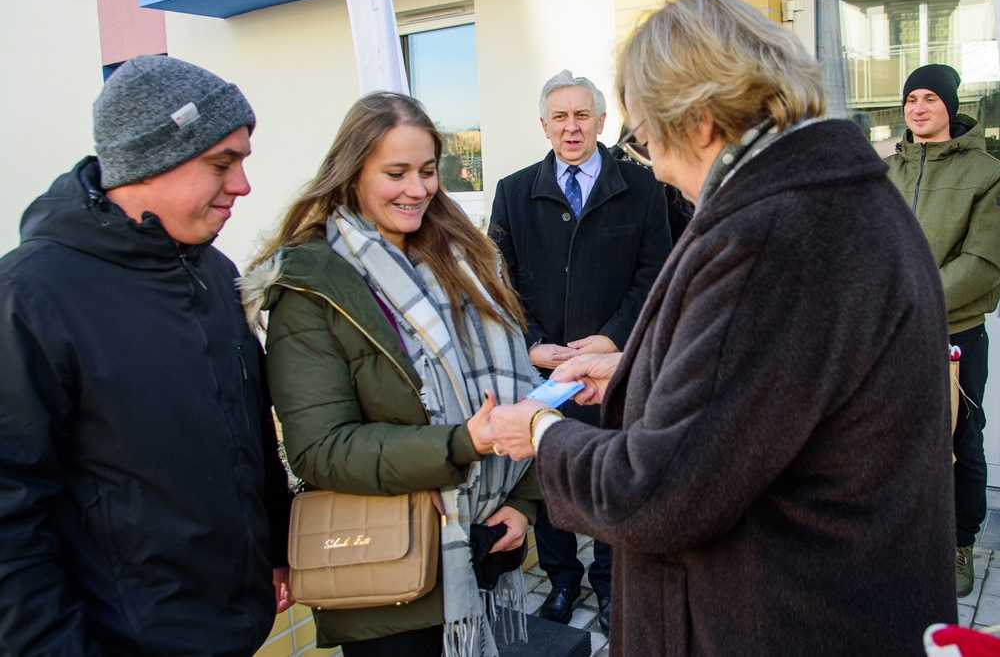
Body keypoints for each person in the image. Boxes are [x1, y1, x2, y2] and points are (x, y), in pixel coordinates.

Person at [481, 0, 957, 655]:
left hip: (775, 623)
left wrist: (540, 430)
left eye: (645, 138)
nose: (655, 165)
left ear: (700, 121)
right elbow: (775, 387)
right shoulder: (835, 201)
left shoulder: (772, 235)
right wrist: (633, 368)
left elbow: (656, 494)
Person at [0, 55, 293, 656]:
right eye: (222, 163)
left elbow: (249, 431)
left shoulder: (213, 273)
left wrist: (277, 545)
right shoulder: (30, 296)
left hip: (235, 626)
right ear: (149, 159)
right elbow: (9, 517)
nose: (242, 185)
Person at [240, 92, 541, 657]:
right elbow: (318, 447)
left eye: (427, 171)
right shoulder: (311, 285)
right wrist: (460, 444)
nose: (417, 189)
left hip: (482, 550)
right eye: (395, 173)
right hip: (388, 577)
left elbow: (516, 389)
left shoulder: (467, 257)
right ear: (353, 173)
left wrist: (524, 504)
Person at [488, 70, 670, 634]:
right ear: (544, 125)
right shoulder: (514, 191)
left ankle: (615, 585)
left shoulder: (642, 188)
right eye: (560, 116)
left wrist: (615, 338)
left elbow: (655, 273)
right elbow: (500, 278)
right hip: (543, 368)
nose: (572, 126)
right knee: (548, 472)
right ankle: (563, 579)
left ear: (601, 120)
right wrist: (534, 342)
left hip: (612, 370)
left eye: (582, 114)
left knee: (615, 477)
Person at [885, 63, 1000, 598]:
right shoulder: (889, 170)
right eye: (911, 99)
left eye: (930, 98)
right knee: (895, 440)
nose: (918, 108)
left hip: (955, 333)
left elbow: (982, 261)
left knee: (960, 442)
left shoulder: (987, 172)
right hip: (893, 336)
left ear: (949, 107)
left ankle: (959, 543)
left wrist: (913, 298)